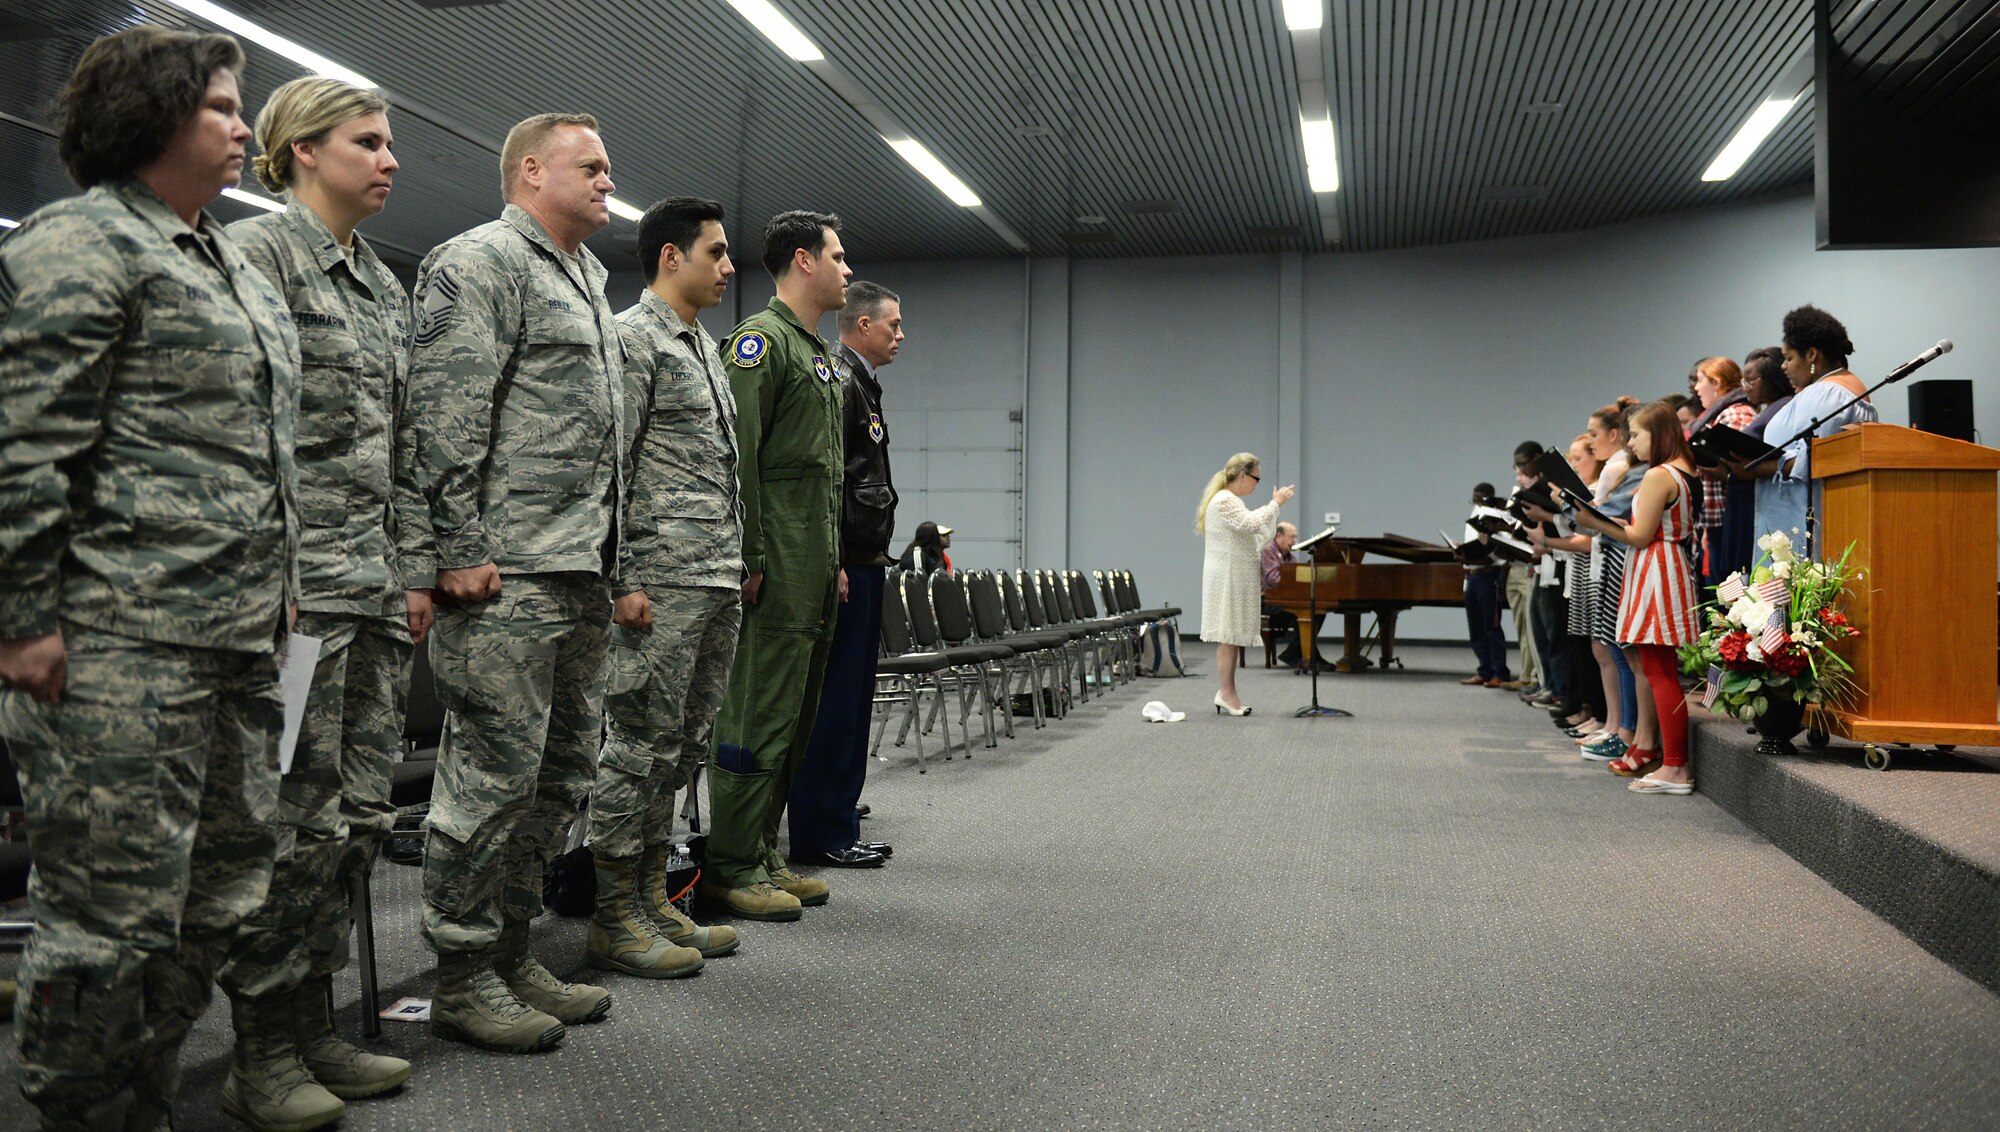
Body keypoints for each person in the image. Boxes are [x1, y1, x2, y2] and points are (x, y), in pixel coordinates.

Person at [0, 27, 303, 1128]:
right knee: (108, 920)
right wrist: (22, 622)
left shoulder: (225, 259)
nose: (240, 127)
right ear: (156, 117)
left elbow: (260, 452)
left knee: (219, 900)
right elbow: (23, 447)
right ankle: (79, 1111)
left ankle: (144, 1094)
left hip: (230, 642)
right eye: (223, 106)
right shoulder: (78, 245)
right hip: (118, 642)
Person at [220, 75, 424, 1125]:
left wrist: (415, 570)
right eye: (368, 141)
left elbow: (400, 447)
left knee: (349, 827)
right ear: (301, 148)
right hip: (296, 606)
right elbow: (239, 435)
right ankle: (259, 1050)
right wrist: (270, 588)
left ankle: (310, 1025)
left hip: (374, 600)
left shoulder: (381, 283)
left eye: (390, 143)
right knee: (285, 830)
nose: (390, 159)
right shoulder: (254, 259)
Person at [410, 112, 628, 1052]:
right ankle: (459, 975)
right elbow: (445, 417)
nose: (608, 180)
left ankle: (508, 951)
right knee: (490, 777)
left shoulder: (587, 275)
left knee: (562, 771)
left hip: (578, 567)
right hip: (506, 570)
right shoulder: (479, 263)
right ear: (530, 171)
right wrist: (455, 548)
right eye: (591, 166)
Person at [585, 196, 743, 981]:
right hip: (659, 579)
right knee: (637, 747)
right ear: (670, 258)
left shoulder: (701, 344)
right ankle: (613, 914)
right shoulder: (632, 339)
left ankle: (651, 899)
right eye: (715, 253)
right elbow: (612, 464)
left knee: (679, 750)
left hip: (708, 573)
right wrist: (622, 577)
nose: (728, 266)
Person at [701, 210, 851, 922]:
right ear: (803, 261)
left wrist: (837, 562)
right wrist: (750, 554)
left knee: (794, 718)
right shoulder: (759, 345)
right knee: (757, 712)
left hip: (812, 566)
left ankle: (762, 852)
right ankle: (729, 862)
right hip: (774, 565)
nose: (848, 270)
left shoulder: (814, 351)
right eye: (839, 257)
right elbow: (741, 463)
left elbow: (824, 476)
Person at [790, 280, 904, 869]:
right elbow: (828, 478)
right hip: (847, 565)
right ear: (863, 326)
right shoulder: (840, 380)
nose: (900, 335)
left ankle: (839, 811)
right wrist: (831, 557)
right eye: (893, 325)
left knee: (855, 697)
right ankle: (822, 829)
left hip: (865, 560)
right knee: (836, 699)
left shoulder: (861, 381)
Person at [1574, 401, 1703, 795]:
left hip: (1655, 569)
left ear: (1659, 435)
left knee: (1659, 671)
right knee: (1657, 667)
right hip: (1666, 565)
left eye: (1636, 435)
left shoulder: (1659, 475)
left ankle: (1676, 767)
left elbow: (1639, 535)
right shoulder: (1682, 471)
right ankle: (1666, 758)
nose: (1630, 443)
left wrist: (1592, 521)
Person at [1741, 306, 1878, 549]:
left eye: (1789, 357)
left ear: (1812, 355)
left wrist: (1757, 467)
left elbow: (1815, 458)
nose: (1784, 366)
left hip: (1805, 525)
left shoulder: (1828, 395)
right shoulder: (1833, 390)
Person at [1196, 453, 1295, 714]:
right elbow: (1251, 524)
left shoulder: (1231, 501)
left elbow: (1258, 536)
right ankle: (1226, 694)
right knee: (1227, 635)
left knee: (1230, 636)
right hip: (1226, 576)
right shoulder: (1225, 500)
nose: (1257, 483)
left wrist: (1274, 509)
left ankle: (1227, 693)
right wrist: (1275, 503)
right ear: (1242, 475)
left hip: (1232, 574)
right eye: (1256, 478)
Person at [1719, 347, 1790, 577]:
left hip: (1752, 499)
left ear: (1772, 379)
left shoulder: (1783, 407)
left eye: (1751, 381)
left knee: (1742, 573)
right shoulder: (1768, 410)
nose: (1745, 387)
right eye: (1743, 381)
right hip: (1744, 496)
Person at [1683, 356, 1754, 589]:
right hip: (1719, 520)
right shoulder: (1719, 415)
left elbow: (1738, 462)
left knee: (1728, 594)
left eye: (1700, 380)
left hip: (1731, 518)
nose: (1696, 388)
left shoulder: (1734, 414)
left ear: (1716, 382)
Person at [1502, 443, 1545, 693]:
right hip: (1519, 563)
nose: (1518, 471)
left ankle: (1538, 679)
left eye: (1522, 465)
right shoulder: (1519, 492)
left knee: (1536, 630)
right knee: (1523, 625)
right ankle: (1529, 674)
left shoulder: (1544, 490)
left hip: (1540, 564)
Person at [1459, 483, 1511, 688]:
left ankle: (1499, 672)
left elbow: (1502, 551)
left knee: (1491, 626)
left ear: (1490, 498)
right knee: (1476, 627)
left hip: (1489, 577)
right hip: (1471, 576)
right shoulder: (1473, 516)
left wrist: (1486, 546)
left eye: (1482, 499)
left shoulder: (1495, 518)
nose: (1478, 502)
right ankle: (1484, 669)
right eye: (1475, 498)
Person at [1259, 521, 1321, 669]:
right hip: (1266, 601)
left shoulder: (1290, 557)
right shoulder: (1268, 550)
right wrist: (1294, 583)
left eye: (1295, 537)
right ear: (1279, 536)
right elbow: (1273, 579)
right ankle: (1304, 655)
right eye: (1291, 537)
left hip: (1282, 599)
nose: (1294, 541)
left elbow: (1296, 580)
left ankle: (1296, 653)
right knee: (1302, 613)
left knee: (1317, 611)